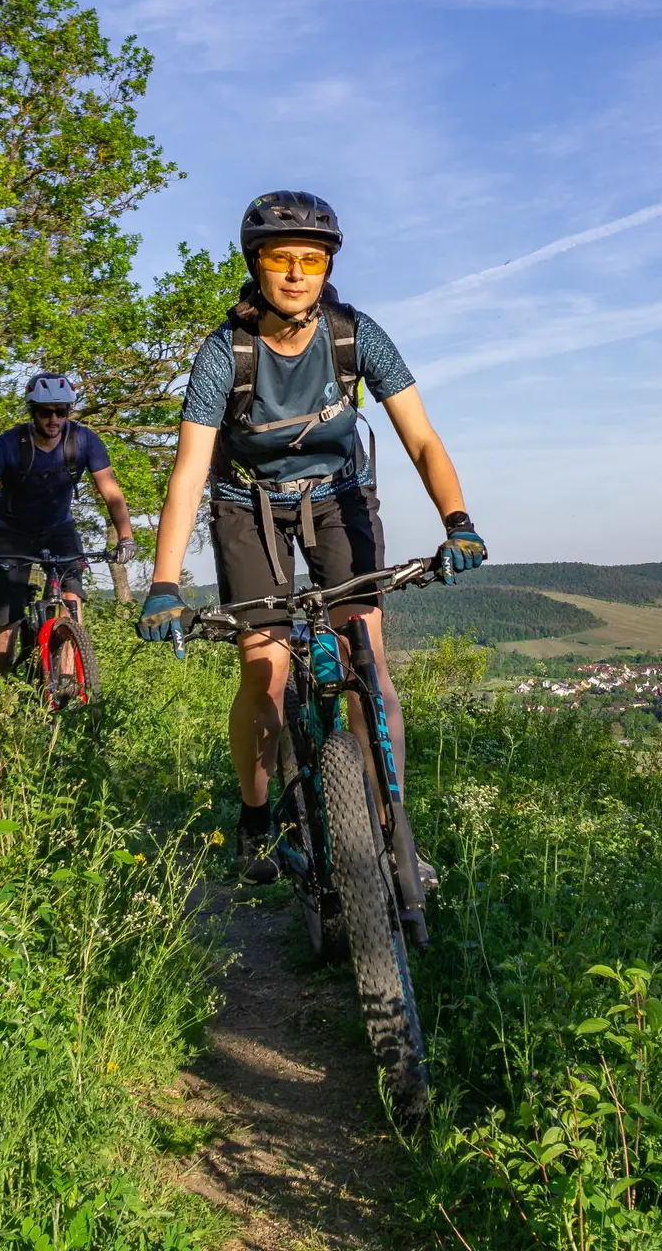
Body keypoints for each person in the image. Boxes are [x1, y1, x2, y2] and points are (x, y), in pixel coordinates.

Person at [135, 190, 486, 884]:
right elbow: (188, 474)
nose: (297, 273)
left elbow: (420, 438)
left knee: (370, 668)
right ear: (256, 266)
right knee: (265, 674)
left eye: (312, 260)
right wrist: (164, 583)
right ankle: (259, 818)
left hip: (340, 501)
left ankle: (392, 833)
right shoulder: (223, 355)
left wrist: (458, 522)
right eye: (280, 258)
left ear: (328, 268)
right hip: (247, 508)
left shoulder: (356, 335)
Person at [0, 374, 138, 673]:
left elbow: (112, 493)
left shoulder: (84, 440)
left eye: (61, 411)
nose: (54, 419)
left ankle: (65, 684)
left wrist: (126, 538)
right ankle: (6, 684)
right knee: (6, 618)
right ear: (33, 412)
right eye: (45, 411)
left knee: (71, 602)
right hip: (12, 533)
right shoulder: (8, 445)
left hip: (59, 530)